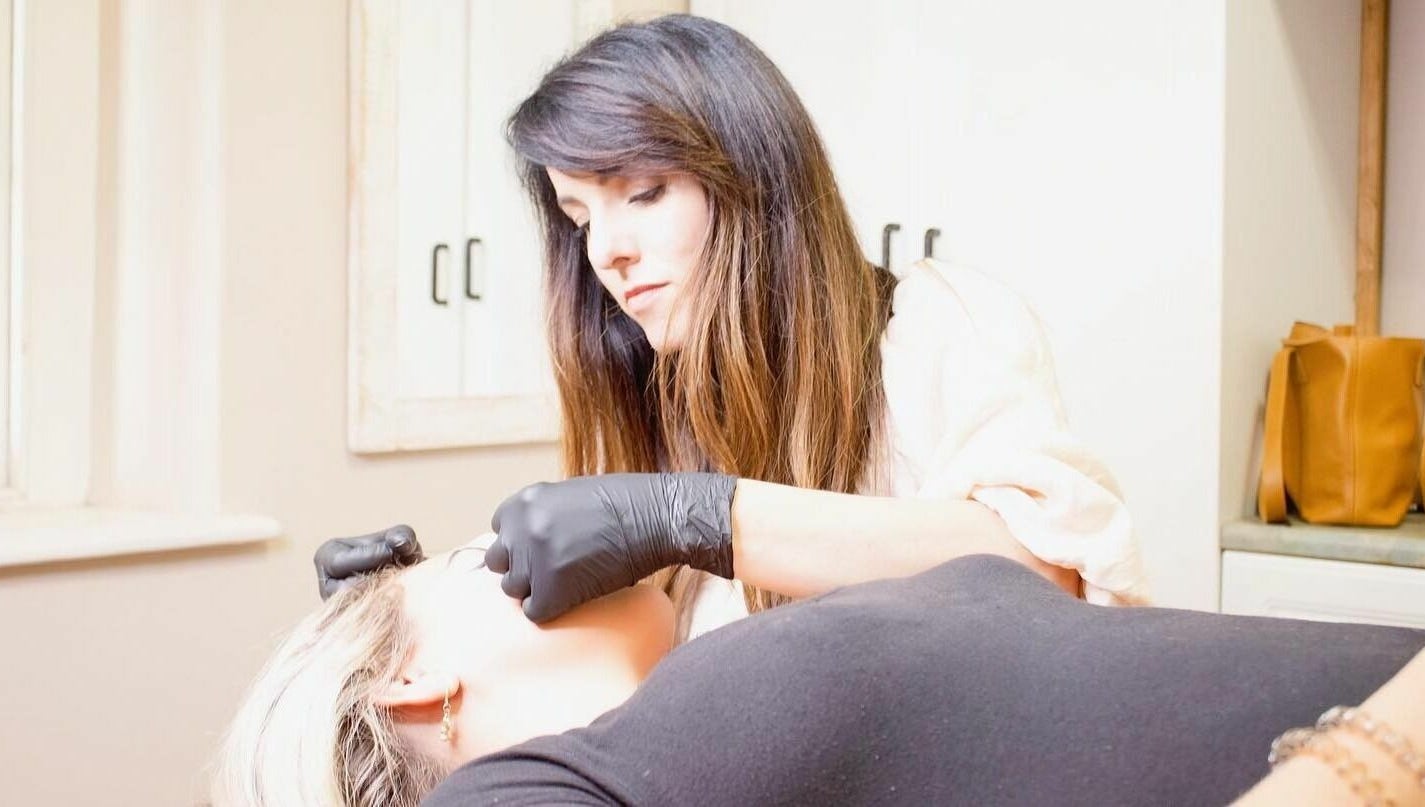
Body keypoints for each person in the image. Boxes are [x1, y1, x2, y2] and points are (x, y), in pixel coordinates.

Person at [315, 13, 1149, 638]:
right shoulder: (659, 387)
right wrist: (410, 607)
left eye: (643, 193)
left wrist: (702, 516)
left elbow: (1042, 570)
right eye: (579, 217)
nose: (605, 252)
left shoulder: (940, 325)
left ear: (755, 178)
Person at [217, 539, 1425, 806]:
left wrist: (700, 513)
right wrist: (1373, 762)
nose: (505, 543)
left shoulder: (702, 716)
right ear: (412, 681)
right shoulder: (536, 788)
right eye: (464, 562)